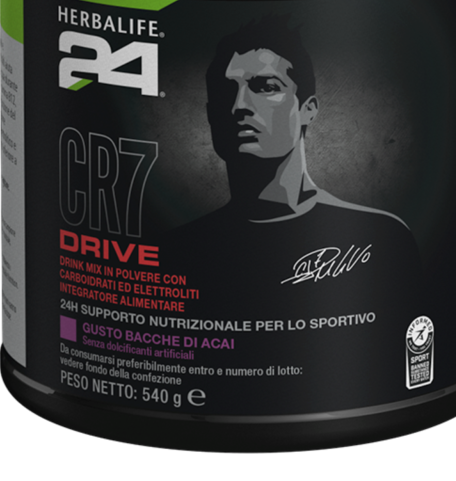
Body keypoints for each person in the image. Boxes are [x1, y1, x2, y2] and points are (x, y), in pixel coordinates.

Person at [162, 15, 423, 297]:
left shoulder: (381, 237)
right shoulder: (177, 250)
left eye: (266, 87)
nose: (240, 105)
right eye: (226, 91)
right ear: (210, 115)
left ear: (307, 109)